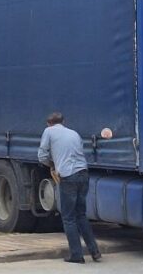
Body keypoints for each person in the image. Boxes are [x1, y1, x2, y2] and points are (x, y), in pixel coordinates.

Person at [38, 112, 101, 264]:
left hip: (68, 176)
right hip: (83, 174)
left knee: (68, 217)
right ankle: (94, 251)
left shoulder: (49, 132)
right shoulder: (74, 133)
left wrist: (52, 165)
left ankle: (76, 255)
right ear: (63, 121)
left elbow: (41, 156)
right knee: (81, 214)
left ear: (48, 123)